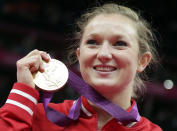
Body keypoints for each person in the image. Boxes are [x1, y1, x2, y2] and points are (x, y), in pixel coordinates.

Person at [0, 3, 162, 131]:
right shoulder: (36, 118)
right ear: (80, 56)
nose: (103, 54)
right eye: (92, 43)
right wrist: (22, 95)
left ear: (142, 61)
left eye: (120, 44)